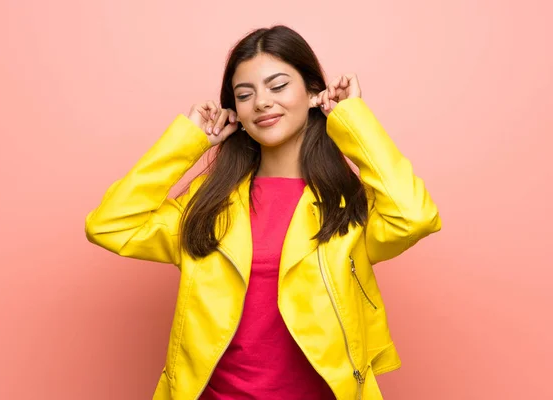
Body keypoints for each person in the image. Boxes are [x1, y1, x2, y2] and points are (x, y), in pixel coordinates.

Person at [85, 25, 441, 400]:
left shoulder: (346, 203)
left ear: (314, 93)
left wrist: (352, 119)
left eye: (278, 85)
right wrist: (187, 141)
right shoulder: (208, 204)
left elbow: (415, 217)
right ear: (234, 109)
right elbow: (110, 224)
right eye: (245, 94)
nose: (261, 102)